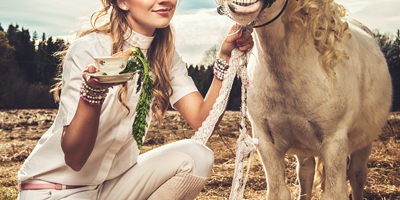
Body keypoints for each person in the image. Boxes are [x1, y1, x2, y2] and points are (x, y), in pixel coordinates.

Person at [17, 0, 254, 199]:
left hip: (109, 188)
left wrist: (224, 58)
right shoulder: (88, 49)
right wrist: (93, 92)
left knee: (197, 156)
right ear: (121, 2)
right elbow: (75, 159)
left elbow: (203, 120)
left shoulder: (166, 57)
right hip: (55, 191)